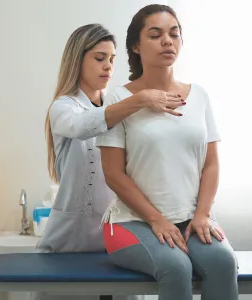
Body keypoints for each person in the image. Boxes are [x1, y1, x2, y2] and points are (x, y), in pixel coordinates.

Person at [32, 23, 184, 300]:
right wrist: (138, 100)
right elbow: (83, 126)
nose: (108, 67)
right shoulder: (64, 107)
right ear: (78, 60)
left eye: (112, 59)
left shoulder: (118, 105)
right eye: (99, 58)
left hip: (118, 236)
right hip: (71, 242)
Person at [97, 4, 238, 300]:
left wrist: (202, 214)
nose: (167, 41)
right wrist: (156, 218)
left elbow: (211, 163)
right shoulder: (120, 99)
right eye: (155, 34)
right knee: (175, 267)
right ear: (136, 45)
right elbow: (112, 173)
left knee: (224, 262)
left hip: (190, 217)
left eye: (174, 34)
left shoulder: (199, 96)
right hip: (130, 222)